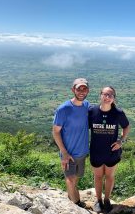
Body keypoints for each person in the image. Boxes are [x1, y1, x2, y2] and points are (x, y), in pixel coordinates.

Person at [88, 86, 130, 213]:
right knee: (98, 176)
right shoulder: (92, 111)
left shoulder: (118, 113)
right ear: (100, 95)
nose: (107, 97)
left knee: (110, 176)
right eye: (105, 94)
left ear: (113, 98)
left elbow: (126, 126)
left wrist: (121, 141)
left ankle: (107, 199)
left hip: (112, 152)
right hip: (96, 151)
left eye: (110, 95)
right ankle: (98, 200)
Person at [52, 78, 90, 208]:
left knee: (76, 179)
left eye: (84, 88)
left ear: (88, 90)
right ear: (73, 89)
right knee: (71, 179)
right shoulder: (63, 109)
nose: (82, 91)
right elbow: (56, 132)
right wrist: (64, 153)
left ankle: (73, 198)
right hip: (68, 154)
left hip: (82, 153)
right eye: (79, 88)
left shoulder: (86, 105)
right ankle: (75, 206)